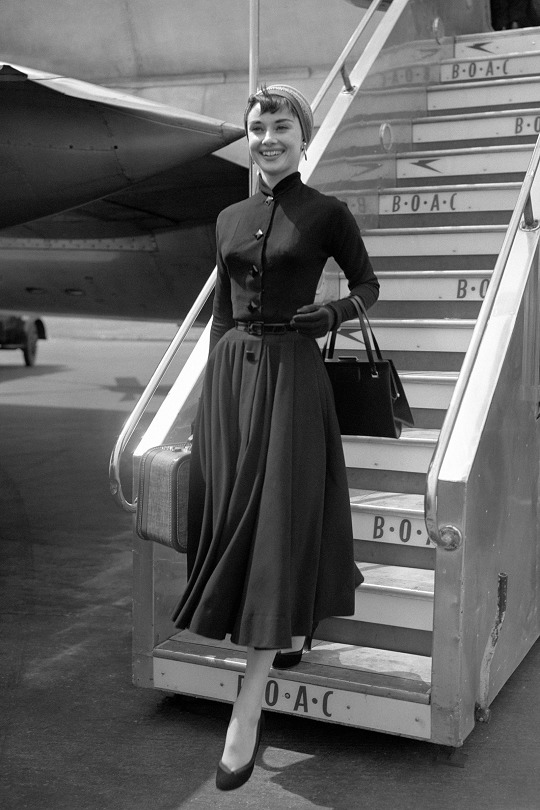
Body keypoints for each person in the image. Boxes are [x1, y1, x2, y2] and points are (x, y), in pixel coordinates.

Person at [171, 84, 379, 791]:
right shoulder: (228, 217)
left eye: (281, 126)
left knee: (274, 529)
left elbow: (368, 285)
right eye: (258, 127)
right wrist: (208, 402)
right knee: (239, 519)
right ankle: (280, 635)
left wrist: (335, 313)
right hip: (233, 383)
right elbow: (221, 318)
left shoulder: (327, 213)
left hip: (293, 381)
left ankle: (246, 712)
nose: (268, 138)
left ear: (303, 135)